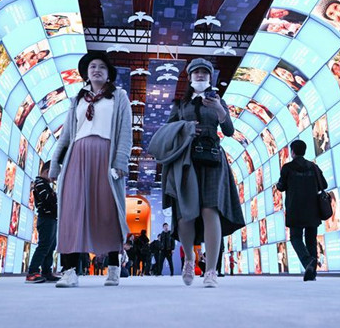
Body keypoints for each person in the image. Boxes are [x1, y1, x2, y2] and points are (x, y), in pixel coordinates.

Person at [149, 58, 245, 288]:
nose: (200, 75)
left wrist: (219, 109)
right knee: (186, 214)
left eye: (205, 72)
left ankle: (211, 270)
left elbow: (229, 131)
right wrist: (187, 127)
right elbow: (168, 131)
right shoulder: (180, 105)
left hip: (213, 159)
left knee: (210, 210)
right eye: (196, 72)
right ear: (189, 77)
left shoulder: (219, 101)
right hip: (186, 160)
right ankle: (190, 259)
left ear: (210, 77)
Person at [49, 52, 132, 288]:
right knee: (72, 210)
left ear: (108, 73)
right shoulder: (78, 99)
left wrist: (121, 161)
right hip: (77, 156)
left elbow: (125, 130)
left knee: (108, 209)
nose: (96, 70)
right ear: (86, 73)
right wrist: (55, 163)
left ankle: (114, 266)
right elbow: (67, 134)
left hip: (106, 156)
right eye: (92, 66)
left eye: (102, 67)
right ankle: (69, 271)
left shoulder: (119, 96)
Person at [277, 140, 327, 281]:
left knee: (295, 238)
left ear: (292, 152)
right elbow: (323, 184)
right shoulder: (313, 167)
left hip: (295, 209)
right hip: (313, 209)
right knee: (311, 240)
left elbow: (281, 186)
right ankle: (312, 272)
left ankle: (308, 261)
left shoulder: (287, 168)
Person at [25, 161, 60, 283]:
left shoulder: (45, 184)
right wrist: (56, 198)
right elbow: (48, 200)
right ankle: (32, 272)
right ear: (47, 171)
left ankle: (46, 271)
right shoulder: (40, 184)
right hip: (46, 219)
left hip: (51, 218)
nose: (55, 179)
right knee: (44, 246)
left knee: (51, 246)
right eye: (54, 175)